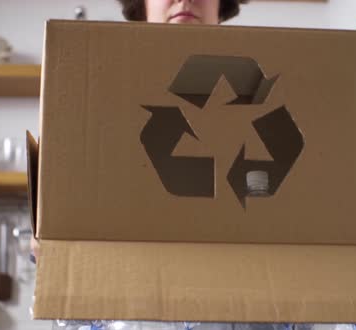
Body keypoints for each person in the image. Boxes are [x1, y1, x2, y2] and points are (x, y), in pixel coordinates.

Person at [30, 0, 246, 264]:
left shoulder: (261, 93)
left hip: (227, 280)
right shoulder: (94, 88)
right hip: (117, 284)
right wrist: (48, 234)